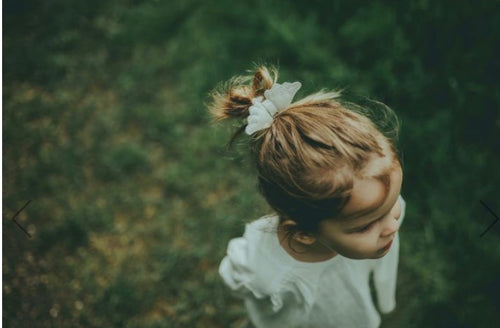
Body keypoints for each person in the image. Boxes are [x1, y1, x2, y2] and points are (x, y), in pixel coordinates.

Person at [209, 66, 406, 328]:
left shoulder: (368, 212)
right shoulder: (267, 268)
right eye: (366, 226)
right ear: (304, 233)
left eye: (392, 205)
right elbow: (234, 275)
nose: (392, 225)